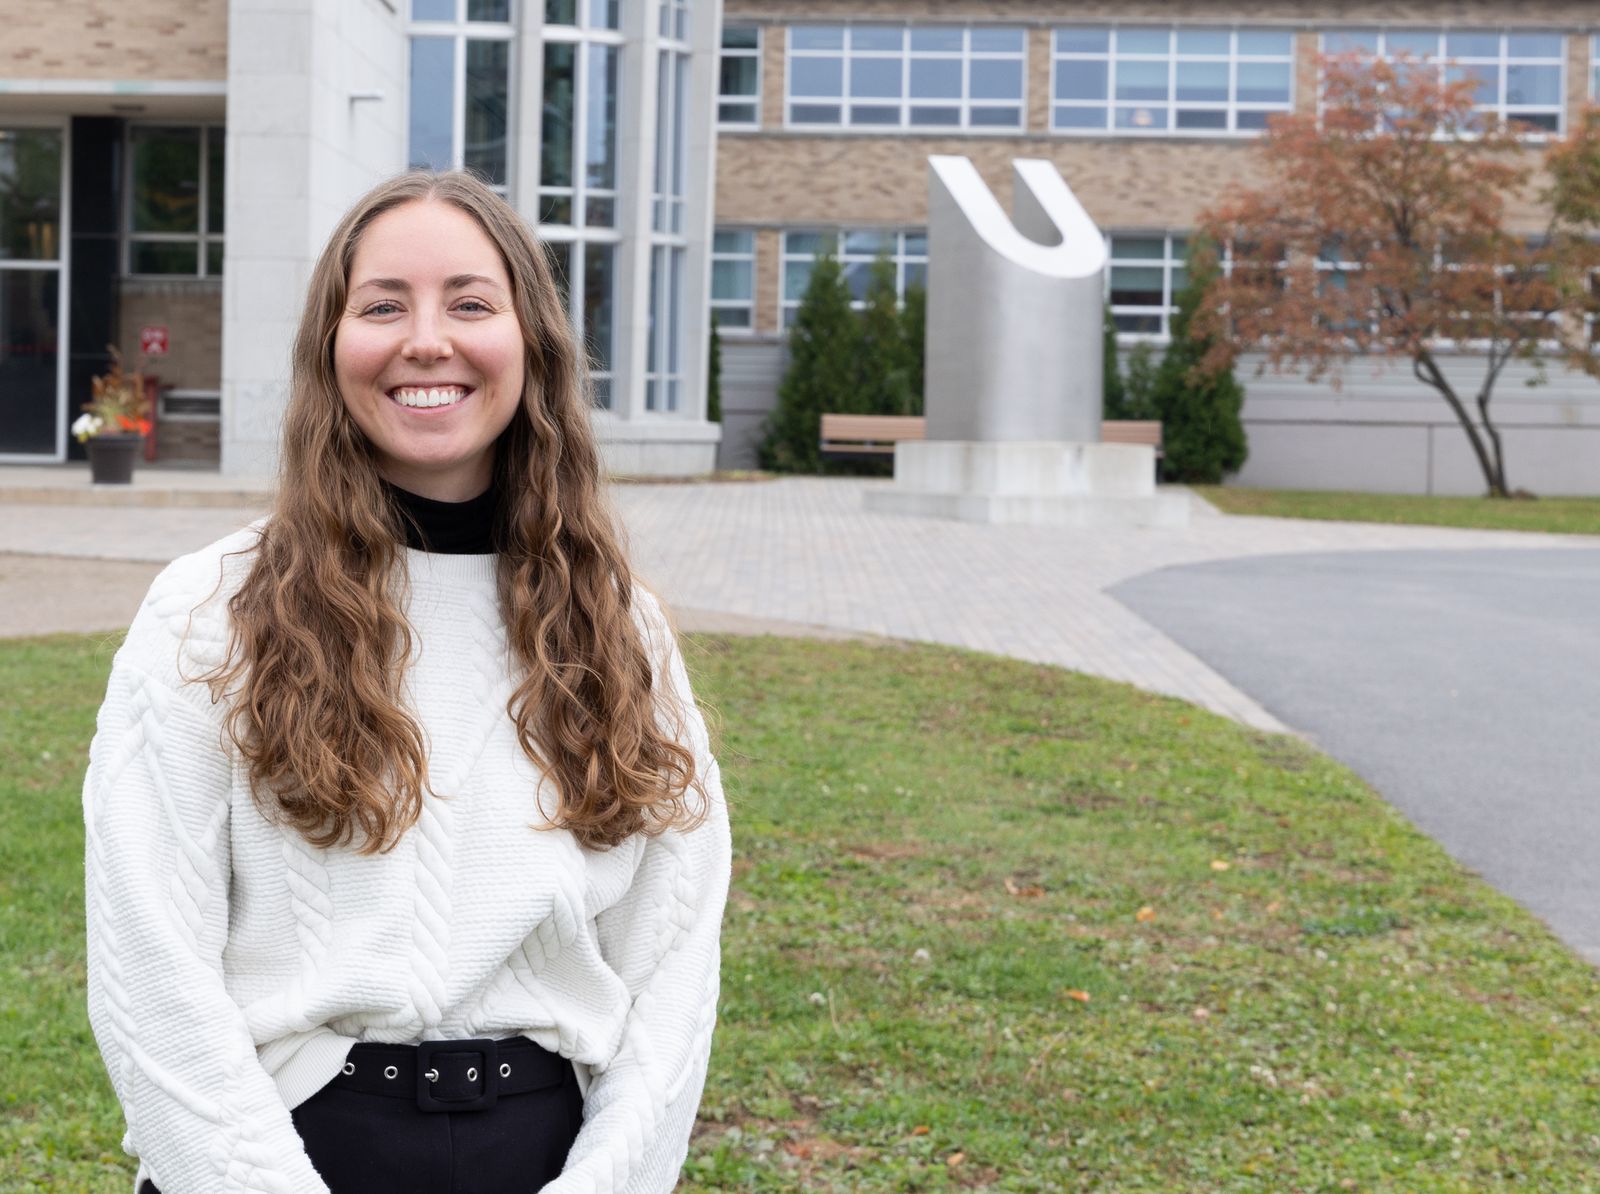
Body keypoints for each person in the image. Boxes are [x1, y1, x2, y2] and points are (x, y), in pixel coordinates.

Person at [81, 170, 731, 1194]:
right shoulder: (203, 612)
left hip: (549, 1155)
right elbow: (149, 974)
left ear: (532, 344)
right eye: (383, 304)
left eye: (470, 302)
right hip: (277, 1148)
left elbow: (674, 962)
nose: (427, 339)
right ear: (331, 347)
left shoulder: (619, 625)